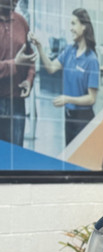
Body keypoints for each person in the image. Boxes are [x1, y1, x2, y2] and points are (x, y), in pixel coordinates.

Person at [31, 7, 99, 145]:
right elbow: (50, 68)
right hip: (69, 117)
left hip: (84, 120)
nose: (70, 28)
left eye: (74, 23)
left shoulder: (91, 60)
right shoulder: (69, 50)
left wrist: (67, 99)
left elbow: (91, 98)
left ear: (84, 26)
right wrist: (39, 47)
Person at [0, 0, 36, 146]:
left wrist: (29, 79)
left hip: (17, 104)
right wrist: (15, 63)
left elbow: (30, 58)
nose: (16, 1)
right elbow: (19, 60)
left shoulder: (22, 22)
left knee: (15, 160)